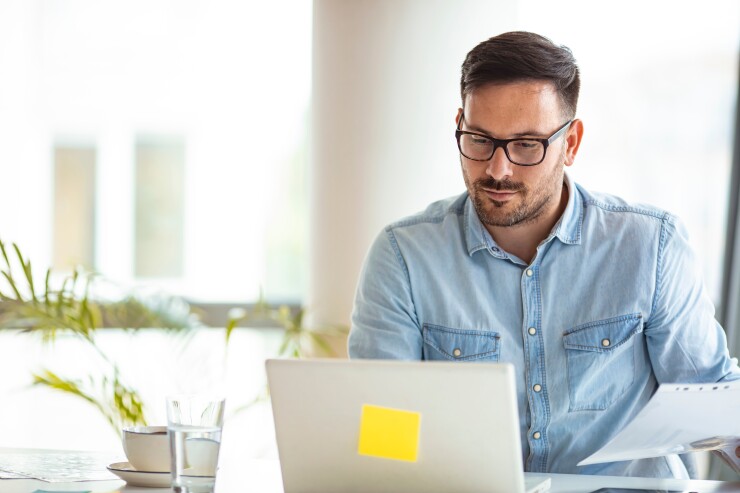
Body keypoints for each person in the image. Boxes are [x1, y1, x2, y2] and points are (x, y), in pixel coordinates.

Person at [347, 31, 740, 478]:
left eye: (526, 145)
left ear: (570, 143)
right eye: (479, 139)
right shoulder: (404, 258)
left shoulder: (651, 246)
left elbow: (709, 391)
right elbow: (380, 428)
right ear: (459, 123)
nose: (498, 169)